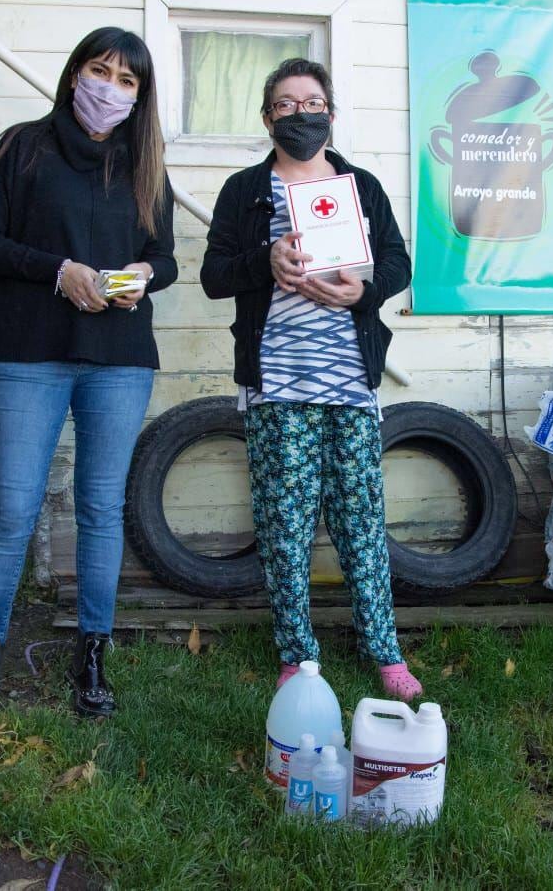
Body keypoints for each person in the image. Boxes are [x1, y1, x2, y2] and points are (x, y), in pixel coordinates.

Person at [0, 27, 178, 717]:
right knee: (13, 510)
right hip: (30, 353)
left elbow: (163, 257)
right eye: (100, 70)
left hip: (119, 359)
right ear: (75, 73)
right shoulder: (23, 146)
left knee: (101, 509)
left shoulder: (145, 164)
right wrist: (58, 272)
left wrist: (144, 273)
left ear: (140, 96)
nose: (110, 87)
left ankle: (92, 655)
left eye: (127, 80)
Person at [200, 57, 421, 701]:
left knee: (360, 519)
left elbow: (398, 265)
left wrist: (365, 288)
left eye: (312, 101)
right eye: (287, 104)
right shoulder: (246, 191)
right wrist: (264, 260)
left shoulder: (362, 187)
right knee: (285, 521)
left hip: (350, 382)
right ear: (267, 117)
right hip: (279, 382)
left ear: (331, 110)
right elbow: (216, 277)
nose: (301, 113)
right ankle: (298, 654)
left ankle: (384, 651)